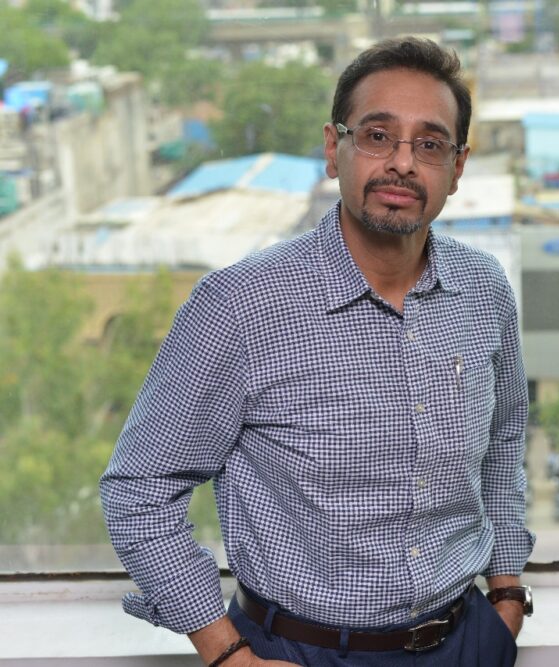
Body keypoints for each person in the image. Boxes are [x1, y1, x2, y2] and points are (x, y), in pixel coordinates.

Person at [100, 37, 534, 667]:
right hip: (301, 652)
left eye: (430, 144)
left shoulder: (484, 289)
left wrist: (508, 590)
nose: (403, 163)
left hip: (467, 641)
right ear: (335, 149)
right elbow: (139, 490)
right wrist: (227, 655)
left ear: (457, 167)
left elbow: (504, 438)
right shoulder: (240, 305)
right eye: (378, 136)